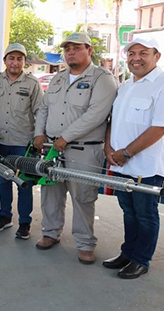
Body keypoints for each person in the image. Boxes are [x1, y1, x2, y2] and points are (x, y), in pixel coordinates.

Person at [33, 32, 117, 264]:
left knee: (83, 197)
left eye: (76, 47)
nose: (70, 52)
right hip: (51, 147)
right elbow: (44, 108)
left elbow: (96, 115)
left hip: (84, 150)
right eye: (67, 48)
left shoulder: (102, 78)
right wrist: (38, 133)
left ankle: (85, 243)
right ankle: (50, 232)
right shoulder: (58, 79)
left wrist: (65, 138)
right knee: (50, 192)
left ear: (89, 50)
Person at [103, 36, 164, 279]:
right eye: (131, 53)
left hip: (145, 167)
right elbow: (112, 121)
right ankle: (128, 253)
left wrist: (127, 152)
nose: (136, 58)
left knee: (145, 214)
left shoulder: (161, 83)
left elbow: (159, 128)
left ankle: (141, 259)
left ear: (156, 56)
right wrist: (109, 148)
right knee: (128, 211)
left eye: (143, 53)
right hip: (120, 165)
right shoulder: (125, 86)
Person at [0, 44, 43, 240]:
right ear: (5, 60)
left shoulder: (32, 83)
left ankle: (25, 222)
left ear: (24, 62)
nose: (15, 62)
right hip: (0, 141)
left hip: (23, 141)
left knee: (24, 183)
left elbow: (40, 110)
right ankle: (5, 217)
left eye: (19, 58)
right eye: (11, 58)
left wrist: (39, 135)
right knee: (4, 181)